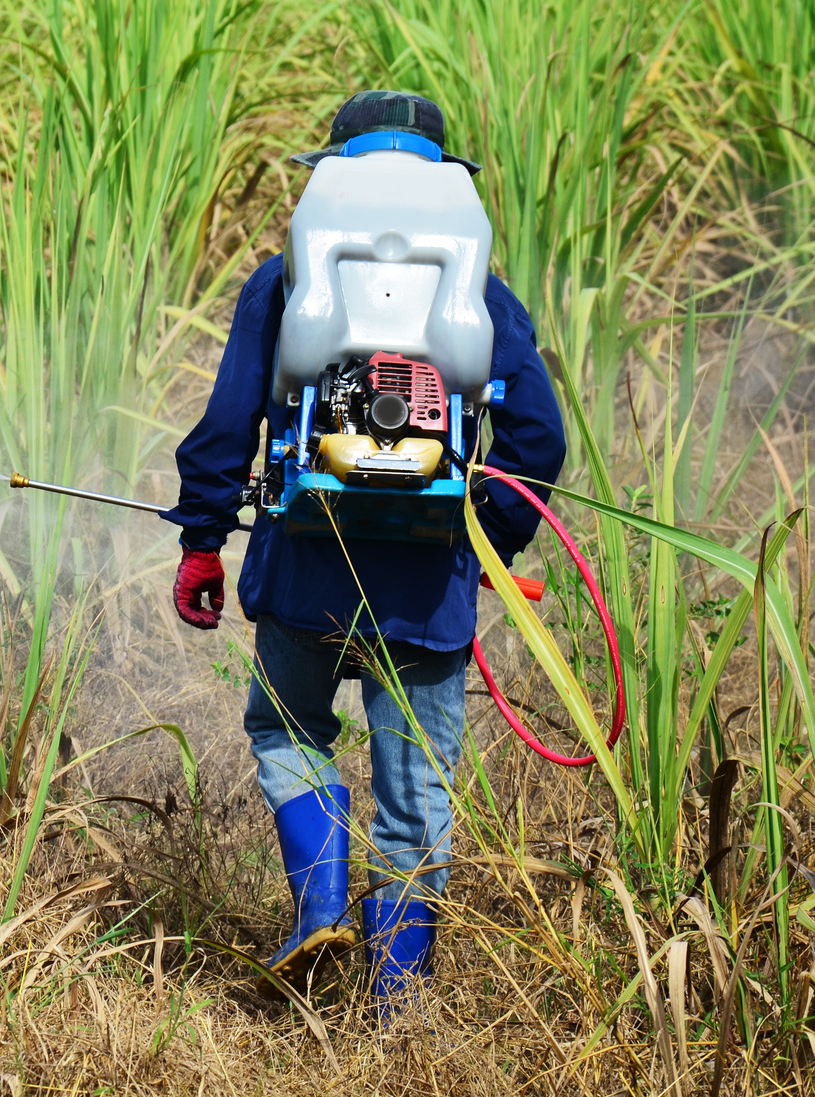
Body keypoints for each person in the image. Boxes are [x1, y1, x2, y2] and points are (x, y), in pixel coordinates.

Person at [164, 91, 567, 1004]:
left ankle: (318, 913)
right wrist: (482, 543)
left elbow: (227, 428)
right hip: (427, 598)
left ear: (333, 177)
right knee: (415, 798)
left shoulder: (286, 283)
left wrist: (202, 543)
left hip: (303, 577)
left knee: (287, 730)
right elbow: (537, 442)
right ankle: (398, 1011)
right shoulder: (483, 298)